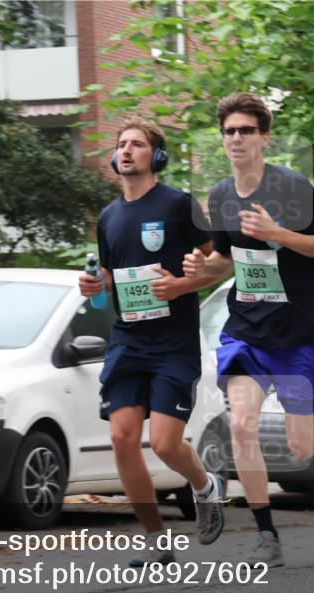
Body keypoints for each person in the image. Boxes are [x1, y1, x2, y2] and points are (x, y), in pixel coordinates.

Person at [183, 93, 314, 567]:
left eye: (246, 130)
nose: (237, 139)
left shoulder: (293, 188)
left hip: (301, 332)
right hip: (248, 329)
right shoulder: (221, 196)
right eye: (229, 132)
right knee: (241, 424)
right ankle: (266, 535)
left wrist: (277, 234)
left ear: (265, 137)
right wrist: (196, 270)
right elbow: (225, 259)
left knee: (302, 448)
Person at [78, 118, 224, 565]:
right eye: (121, 145)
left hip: (173, 343)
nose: (126, 151)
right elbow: (109, 275)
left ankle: (204, 484)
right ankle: (157, 540)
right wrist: (92, 286)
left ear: (156, 156)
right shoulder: (109, 216)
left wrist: (183, 284)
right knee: (123, 438)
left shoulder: (179, 205)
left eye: (137, 145)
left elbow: (221, 259)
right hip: (127, 340)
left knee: (163, 443)